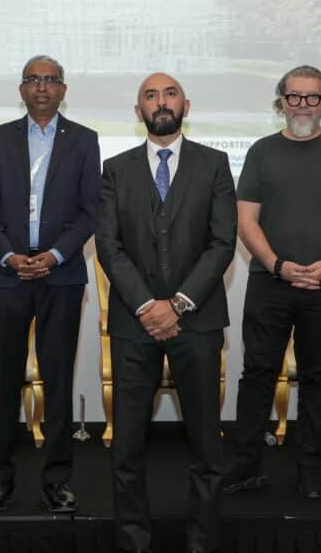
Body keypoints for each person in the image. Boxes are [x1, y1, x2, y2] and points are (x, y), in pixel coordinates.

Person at [95, 73, 236, 553]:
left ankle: (203, 542)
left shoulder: (215, 165)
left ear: (186, 105)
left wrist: (176, 304)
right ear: (138, 112)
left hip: (197, 322)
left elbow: (222, 243)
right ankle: (133, 542)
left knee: (206, 446)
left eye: (169, 94)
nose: (161, 102)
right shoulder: (115, 169)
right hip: (133, 324)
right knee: (128, 447)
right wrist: (146, 305)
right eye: (151, 96)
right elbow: (108, 247)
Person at [224, 65, 321, 499]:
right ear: (281, 102)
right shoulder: (261, 151)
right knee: (257, 374)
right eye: (294, 97)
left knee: (316, 377)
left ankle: (308, 466)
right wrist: (276, 265)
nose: (302, 104)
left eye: (312, 97)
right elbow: (245, 218)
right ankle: (247, 462)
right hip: (270, 281)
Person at [0, 55, 99, 514]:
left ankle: (56, 481)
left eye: (50, 81)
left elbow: (90, 212)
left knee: (58, 380)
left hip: (61, 276)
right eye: (33, 80)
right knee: (6, 380)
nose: (42, 87)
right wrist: (9, 255)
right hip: (7, 276)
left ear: (63, 90)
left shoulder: (85, 141)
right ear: (21, 89)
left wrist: (55, 254)